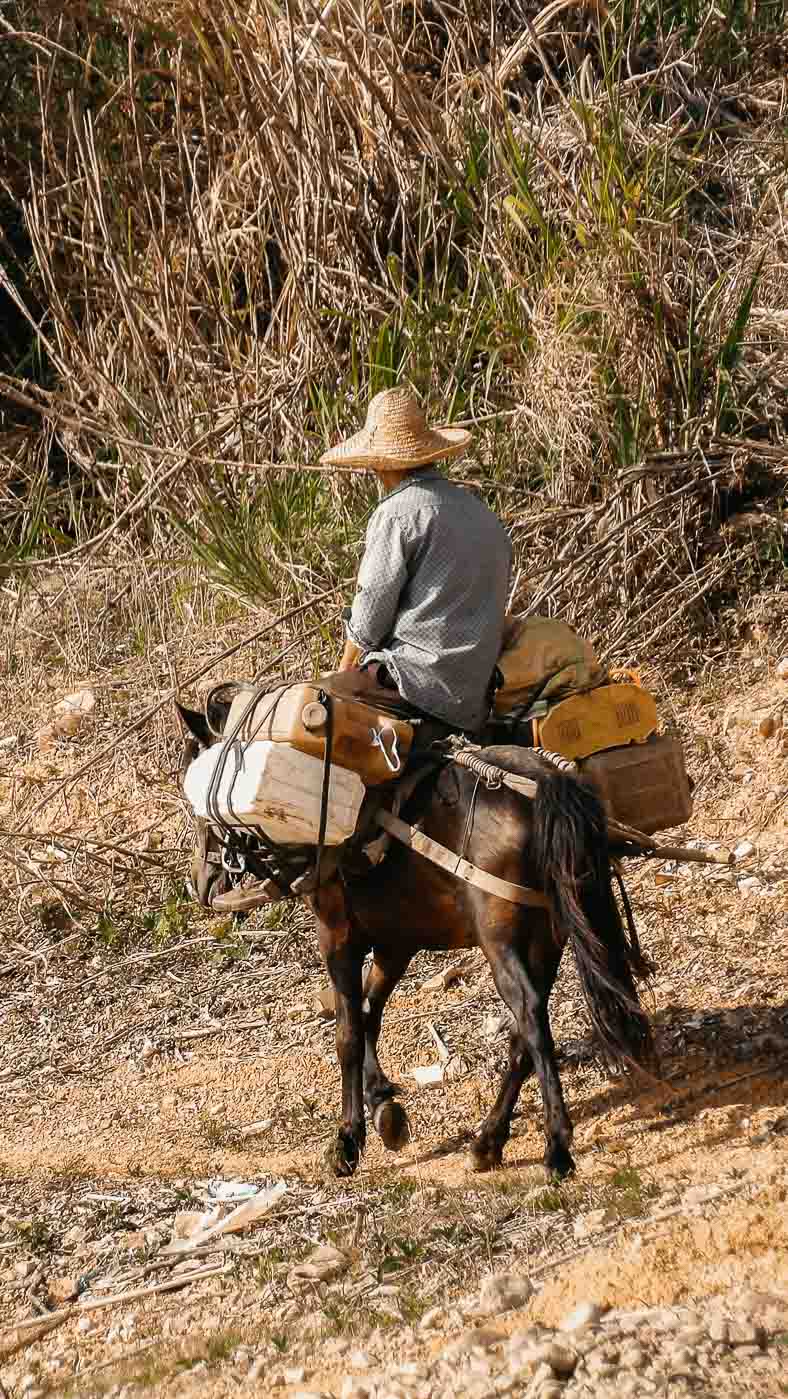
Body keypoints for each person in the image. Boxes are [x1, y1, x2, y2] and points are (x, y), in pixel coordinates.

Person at [320, 387, 512, 738]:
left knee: (305, 707)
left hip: (412, 686)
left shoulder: (397, 514)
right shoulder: (485, 517)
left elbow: (369, 619)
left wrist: (340, 677)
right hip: (472, 703)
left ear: (377, 462)